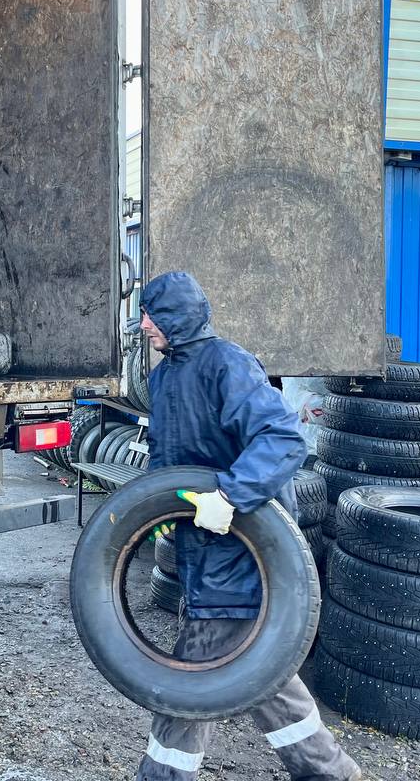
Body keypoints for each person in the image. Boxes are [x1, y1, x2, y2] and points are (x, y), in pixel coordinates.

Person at [134, 271, 360, 781]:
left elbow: (283, 440)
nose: (144, 324)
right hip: (200, 552)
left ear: (176, 316)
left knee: (189, 682)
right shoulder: (165, 376)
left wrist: (231, 496)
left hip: (241, 551)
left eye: (151, 313)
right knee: (266, 682)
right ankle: (333, 773)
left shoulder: (227, 365)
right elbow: (168, 458)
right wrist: (151, 514)